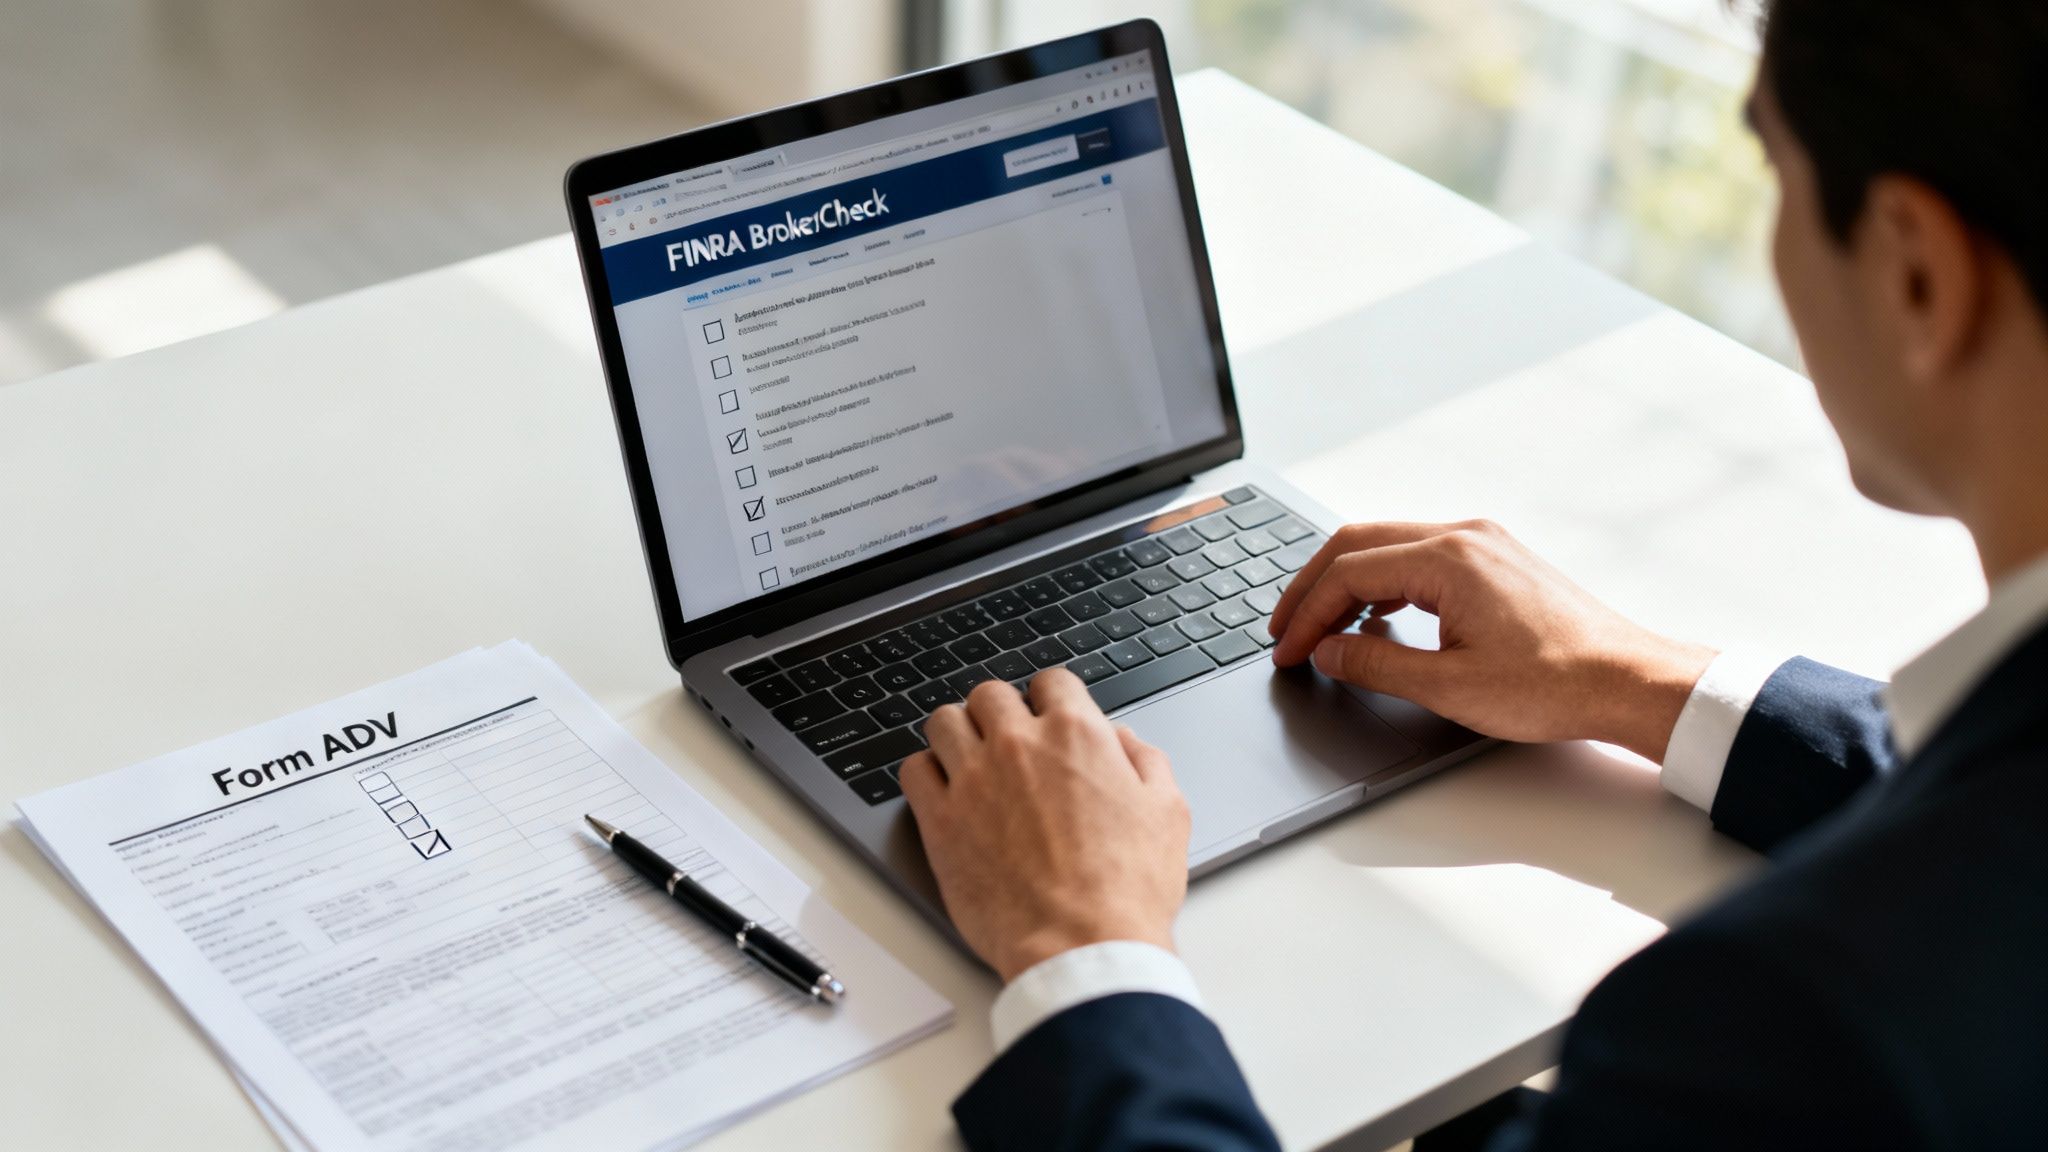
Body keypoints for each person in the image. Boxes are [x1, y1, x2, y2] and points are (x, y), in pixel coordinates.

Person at [897, 1, 2048, 1148]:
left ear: (1914, 272)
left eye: (1773, 175)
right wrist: (1634, 679)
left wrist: (1078, 943)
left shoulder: (1780, 1028)